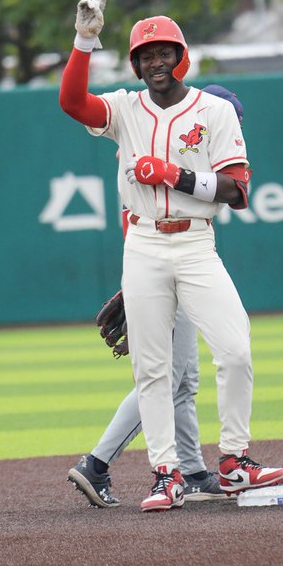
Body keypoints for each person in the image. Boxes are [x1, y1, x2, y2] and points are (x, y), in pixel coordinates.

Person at [58, 0, 283, 512]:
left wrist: (175, 175)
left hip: (195, 241)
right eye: (145, 54)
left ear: (180, 56)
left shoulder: (215, 110)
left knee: (235, 349)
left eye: (163, 51)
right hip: (142, 243)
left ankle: (234, 460)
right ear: (136, 64)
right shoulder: (123, 108)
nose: (155, 60)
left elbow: (236, 191)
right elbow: (72, 102)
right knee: (154, 372)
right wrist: (84, 40)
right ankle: (167, 475)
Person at [67, 85, 247, 508]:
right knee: (167, 376)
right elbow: (140, 218)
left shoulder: (179, 143)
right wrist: (136, 288)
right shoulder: (147, 140)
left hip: (175, 259)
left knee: (183, 379)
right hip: (154, 263)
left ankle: (195, 472)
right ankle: (98, 462)